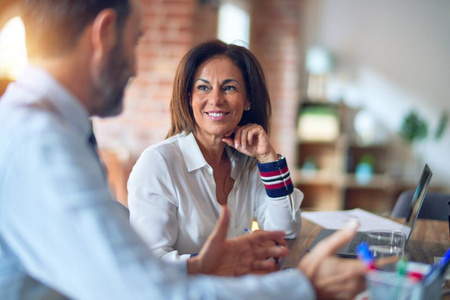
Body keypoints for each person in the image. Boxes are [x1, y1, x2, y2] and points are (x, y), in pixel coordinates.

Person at [0, 0, 366, 299]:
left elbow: (124, 270)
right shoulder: (42, 143)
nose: (134, 66)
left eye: (229, 88)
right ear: (104, 32)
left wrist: (203, 264)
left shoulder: (48, 129)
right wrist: (303, 286)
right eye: (135, 42)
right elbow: (144, 291)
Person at [128, 40, 303, 262]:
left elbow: (287, 230)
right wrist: (223, 260)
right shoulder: (158, 163)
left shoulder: (247, 162)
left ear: (248, 99)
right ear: (188, 97)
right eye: (203, 87)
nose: (216, 100)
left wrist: (269, 159)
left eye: (229, 88)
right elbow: (150, 260)